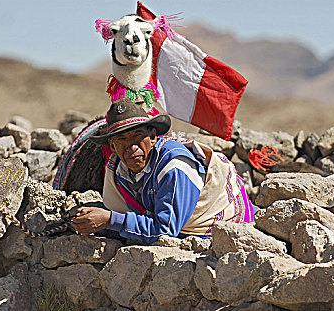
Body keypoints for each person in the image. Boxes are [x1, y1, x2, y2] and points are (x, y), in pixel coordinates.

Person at [72, 100, 254, 243]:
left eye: (138, 136)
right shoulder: (118, 170)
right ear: (112, 146)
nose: (131, 146)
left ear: (152, 137)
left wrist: (110, 220)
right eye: (122, 139)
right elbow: (121, 209)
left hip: (221, 228)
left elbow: (166, 230)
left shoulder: (174, 166)